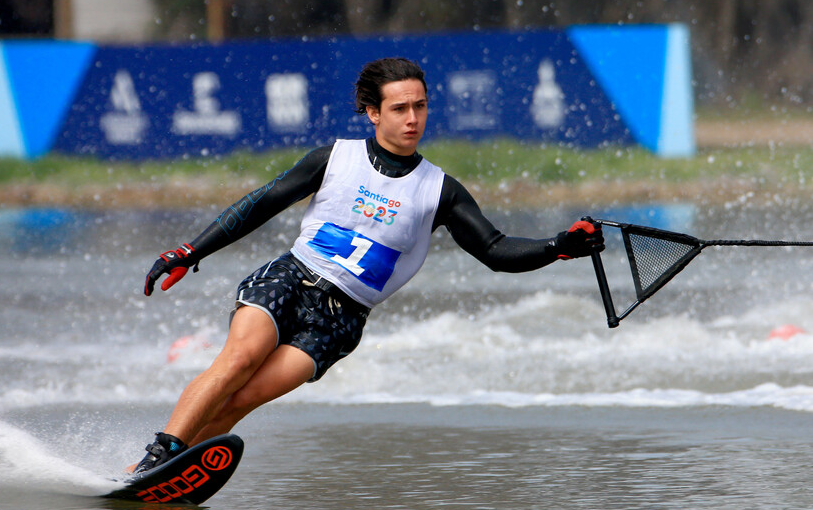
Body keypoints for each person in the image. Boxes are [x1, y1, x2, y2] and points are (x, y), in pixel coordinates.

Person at [133, 57, 603, 473]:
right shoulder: (334, 158)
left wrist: (557, 245)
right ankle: (158, 455)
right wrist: (189, 252)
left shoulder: (440, 190)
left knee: (246, 398)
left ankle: (166, 474)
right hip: (290, 280)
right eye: (399, 109)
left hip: (341, 318)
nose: (412, 118)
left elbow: (495, 250)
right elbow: (259, 205)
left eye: (419, 106)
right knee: (238, 361)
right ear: (373, 113)